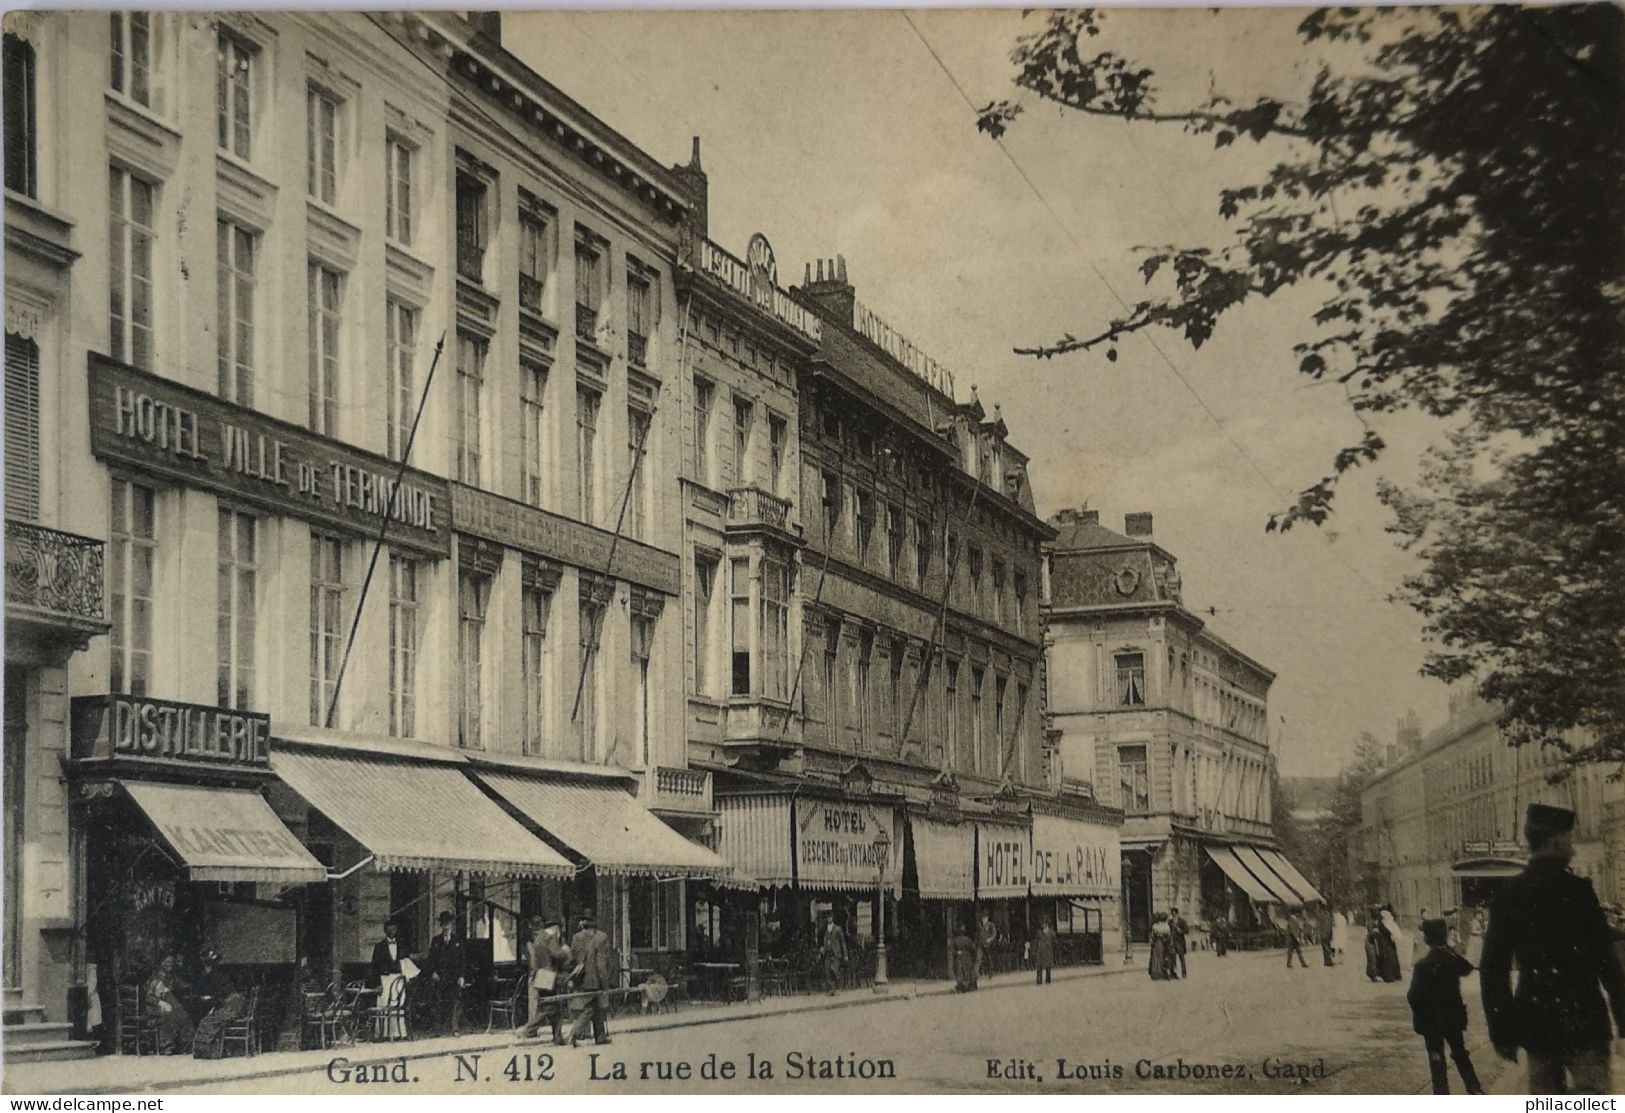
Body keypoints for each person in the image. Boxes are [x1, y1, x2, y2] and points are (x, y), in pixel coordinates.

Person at [1481, 803, 1625, 1094]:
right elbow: (1605, 961)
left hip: (1537, 1024)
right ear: (1556, 840)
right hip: (1584, 1020)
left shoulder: (1509, 896)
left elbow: (1492, 969)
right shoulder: (1579, 892)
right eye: (1569, 840)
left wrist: (1502, 1032)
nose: (1572, 849)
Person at [1407, 917, 1484, 1094]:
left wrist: (1420, 1013)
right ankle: (1475, 1090)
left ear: (1426, 939)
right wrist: (1449, 949)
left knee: (1436, 1060)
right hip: (1452, 1017)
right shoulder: (1452, 960)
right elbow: (1468, 968)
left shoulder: (1421, 965)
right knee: (1461, 1054)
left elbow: (1413, 995)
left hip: (1431, 1020)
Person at [566, 912, 613, 1047]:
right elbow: (601, 963)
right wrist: (605, 983)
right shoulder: (601, 937)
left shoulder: (576, 937)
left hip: (581, 978)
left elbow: (572, 959)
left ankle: (601, 1036)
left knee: (596, 1007)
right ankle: (573, 1034)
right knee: (589, 1009)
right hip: (595, 979)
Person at [521, 914, 569, 1044]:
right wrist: (565, 951)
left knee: (555, 1007)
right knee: (548, 1007)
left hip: (541, 975)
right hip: (549, 976)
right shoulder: (550, 938)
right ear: (556, 928)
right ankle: (528, 1029)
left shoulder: (539, 938)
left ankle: (557, 1037)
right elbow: (557, 954)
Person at [190, 950, 246, 1059]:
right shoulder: (212, 974)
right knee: (207, 1019)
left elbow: (223, 993)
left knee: (209, 1020)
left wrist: (213, 1002)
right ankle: (207, 1050)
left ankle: (210, 1051)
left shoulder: (218, 975)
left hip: (232, 1004)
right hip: (228, 1003)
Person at [426, 911, 467, 1037]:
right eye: (443, 924)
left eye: (448, 924)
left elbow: (462, 960)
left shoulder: (457, 941)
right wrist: (433, 972)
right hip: (440, 977)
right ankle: (439, 1029)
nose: (445, 927)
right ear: (440, 926)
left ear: (451, 925)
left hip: (454, 977)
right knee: (439, 1002)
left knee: (455, 1002)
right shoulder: (436, 941)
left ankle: (454, 1028)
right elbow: (430, 960)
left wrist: (461, 976)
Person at [144, 956, 195, 1054]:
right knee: (170, 1015)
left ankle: (186, 1044)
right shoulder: (156, 978)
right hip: (154, 1008)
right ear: (161, 963)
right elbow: (149, 997)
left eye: (171, 962)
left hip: (168, 1005)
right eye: (167, 962)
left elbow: (179, 984)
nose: (169, 964)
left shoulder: (170, 977)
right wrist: (162, 1003)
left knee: (183, 1014)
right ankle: (167, 1046)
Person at [370, 919, 408, 1040]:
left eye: (393, 929)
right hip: (385, 979)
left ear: (396, 930)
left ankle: (399, 1033)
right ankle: (383, 1033)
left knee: (398, 1003)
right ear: (385, 931)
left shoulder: (402, 945)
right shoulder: (379, 946)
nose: (391, 932)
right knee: (384, 1003)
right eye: (389, 930)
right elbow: (374, 966)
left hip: (398, 978)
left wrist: (407, 975)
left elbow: (406, 962)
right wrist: (377, 983)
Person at [821, 913, 849, 995]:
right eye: (827, 917)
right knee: (827, 972)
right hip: (828, 954)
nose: (828, 919)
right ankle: (831, 989)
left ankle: (837, 988)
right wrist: (823, 948)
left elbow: (843, 942)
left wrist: (845, 955)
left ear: (832, 918)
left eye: (829, 917)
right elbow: (824, 941)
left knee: (835, 971)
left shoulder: (837, 929)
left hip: (836, 954)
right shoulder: (825, 930)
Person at [1377, 905, 1405, 982]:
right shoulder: (1384, 922)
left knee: (1389, 957)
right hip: (1385, 941)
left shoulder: (1384, 922)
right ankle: (1389, 975)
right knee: (1388, 957)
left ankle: (1391, 975)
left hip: (1387, 941)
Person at [951, 921, 978, 992]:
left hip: (959, 958)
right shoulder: (968, 940)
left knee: (960, 973)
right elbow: (973, 950)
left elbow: (953, 950)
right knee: (969, 971)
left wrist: (957, 953)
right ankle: (970, 986)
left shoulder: (955, 940)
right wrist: (973, 958)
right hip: (968, 957)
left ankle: (961, 986)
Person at [1148, 913, 1172, 980]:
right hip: (1165, 943)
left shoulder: (1155, 926)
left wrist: (1153, 942)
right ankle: (1165, 973)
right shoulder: (1167, 926)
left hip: (1157, 943)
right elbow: (1169, 935)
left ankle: (1156, 973)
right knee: (1165, 957)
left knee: (1156, 958)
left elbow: (1152, 935)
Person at [1033, 919, 1057, 985]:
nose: (1043, 925)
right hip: (1040, 952)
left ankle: (1048, 979)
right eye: (1042, 924)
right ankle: (1039, 980)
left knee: (1048, 966)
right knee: (1039, 966)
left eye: (1044, 924)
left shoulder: (1051, 933)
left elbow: (1055, 942)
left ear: (1047, 924)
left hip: (1048, 952)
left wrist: (1051, 947)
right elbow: (1036, 941)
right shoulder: (1039, 933)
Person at [1168, 908, 1189, 979]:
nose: (1173, 916)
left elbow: (1186, 930)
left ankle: (1184, 973)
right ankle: (1173, 973)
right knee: (1172, 958)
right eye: (1172, 914)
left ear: (1177, 913)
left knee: (1181, 958)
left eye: (1174, 914)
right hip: (1172, 942)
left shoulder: (1182, 921)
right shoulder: (1170, 922)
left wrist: (1180, 931)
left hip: (1180, 942)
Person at [978, 912, 997, 979]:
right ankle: (978, 974)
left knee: (989, 960)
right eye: (983, 918)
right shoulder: (980, 925)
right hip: (980, 944)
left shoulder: (990, 924)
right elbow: (978, 935)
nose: (983, 919)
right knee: (978, 959)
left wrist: (990, 939)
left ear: (987, 918)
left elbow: (994, 933)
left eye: (985, 918)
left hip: (988, 945)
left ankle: (990, 974)